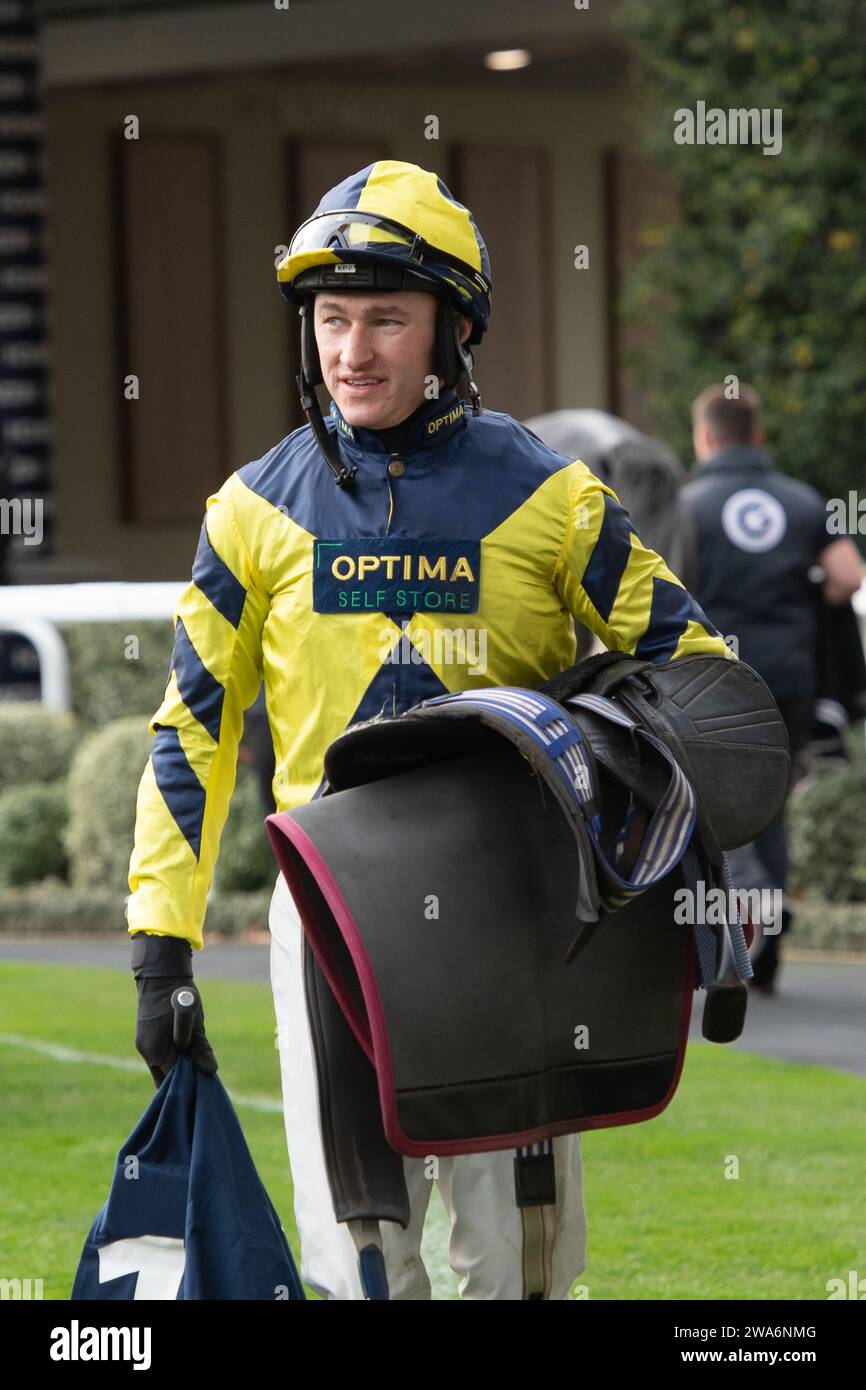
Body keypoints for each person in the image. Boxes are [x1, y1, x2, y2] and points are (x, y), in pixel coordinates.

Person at [126, 160, 735, 1300]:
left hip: (514, 918)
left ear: (453, 329)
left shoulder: (554, 497)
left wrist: (650, 835)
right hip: (328, 923)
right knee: (363, 1261)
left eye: (385, 320)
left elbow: (696, 674)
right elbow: (191, 734)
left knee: (514, 1265)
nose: (350, 352)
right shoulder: (249, 508)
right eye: (330, 318)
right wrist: (163, 944)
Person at [681, 383, 864, 993]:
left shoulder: (687, 505)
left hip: (712, 686)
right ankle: (772, 941)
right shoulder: (802, 501)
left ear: (705, 437)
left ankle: (730, 940)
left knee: (713, 807)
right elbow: (847, 577)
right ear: (758, 435)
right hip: (788, 680)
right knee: (774, 804)